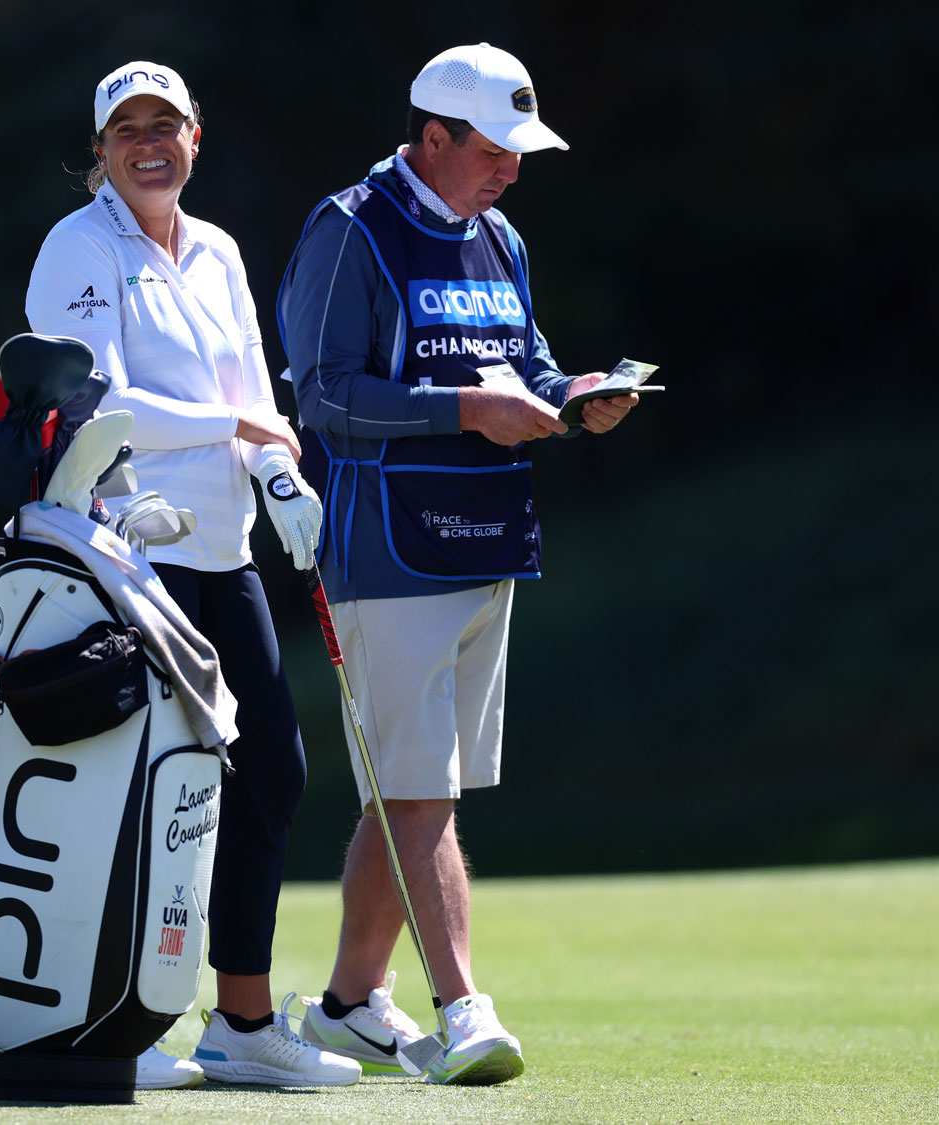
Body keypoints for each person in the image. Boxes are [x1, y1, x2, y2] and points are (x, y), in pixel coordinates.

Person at [276, 43, 639, 1086]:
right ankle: (462, 1009)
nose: (511, 171)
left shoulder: (501, 237)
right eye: (490, 150)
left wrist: (572, 397)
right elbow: (325, 398)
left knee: (411, 792)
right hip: (384, 549)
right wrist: (463, 410)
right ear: (429, 137)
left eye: (520, 152)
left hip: (486, 542)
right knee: (421, 793)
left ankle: (347, 1004)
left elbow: (520, 367)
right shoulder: (348, 229)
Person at [23, 60, 359, 1090]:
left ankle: (242, 1023)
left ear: (194, 137)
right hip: (127, 551)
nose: (147, 142)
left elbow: (249, 387)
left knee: (270, 775)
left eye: (164, 124)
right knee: (137, 789)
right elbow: (101, 403)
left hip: (220, 550)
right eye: (126, 129)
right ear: (101, 150)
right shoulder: (76, 248)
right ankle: (113, 1022)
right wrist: (241, 428)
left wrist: (275, 470)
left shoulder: (213, 250)